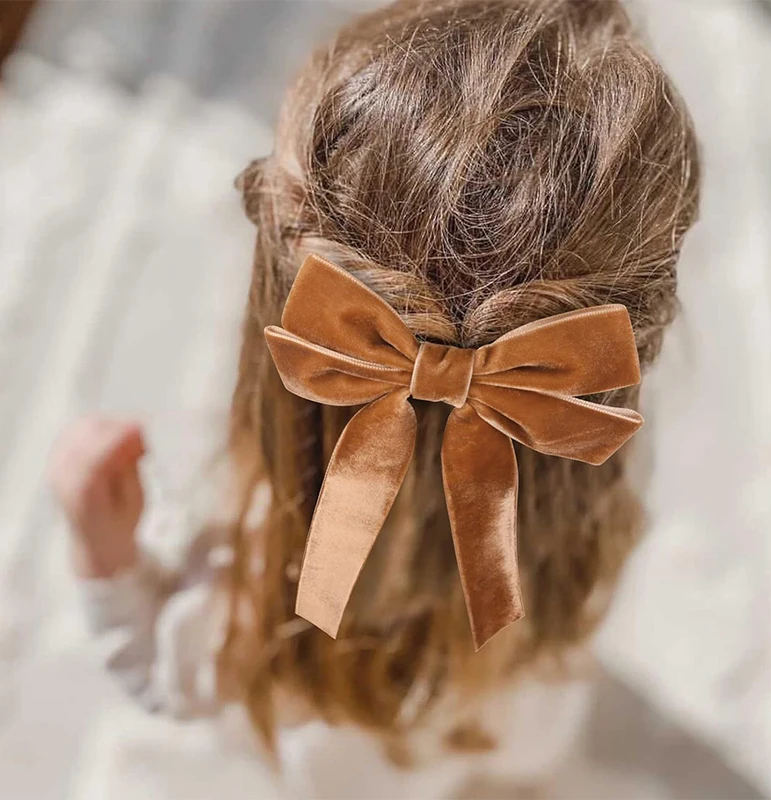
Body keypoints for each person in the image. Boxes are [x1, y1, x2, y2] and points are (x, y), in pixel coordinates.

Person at [50, 1, 700, 796]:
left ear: (288, 332)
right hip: (511, 699)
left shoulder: (243, 605)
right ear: (611, 357)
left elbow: (164, 678)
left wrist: (106, 564)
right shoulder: (587, 543)